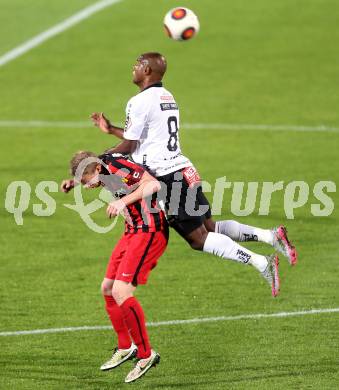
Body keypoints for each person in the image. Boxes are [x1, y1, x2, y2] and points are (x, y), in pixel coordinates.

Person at [90, 52, 298, 297]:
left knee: (198, 239)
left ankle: (262, 263)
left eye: (138, 64)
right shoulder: (166, 96)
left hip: (168, 177)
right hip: (182, 168)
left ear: (147, 70)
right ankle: (271, 236)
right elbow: (145, 137)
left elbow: (130, 146)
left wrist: (101, 161)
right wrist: (112, 130)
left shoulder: (138, 101)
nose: (133, 67)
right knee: (210, 227)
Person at [61, 151, 168, 383]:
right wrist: (74, 183)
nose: (86, 185)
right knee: (108, 288)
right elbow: (91, 169)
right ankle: (125, 346)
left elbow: (153, 184)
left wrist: (122, 201)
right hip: (132, 230)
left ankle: (146, 355)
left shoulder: (118, 167)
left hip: (150, 230)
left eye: (85, 180)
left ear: (97, 169)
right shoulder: (99, 166)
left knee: (121, 291)